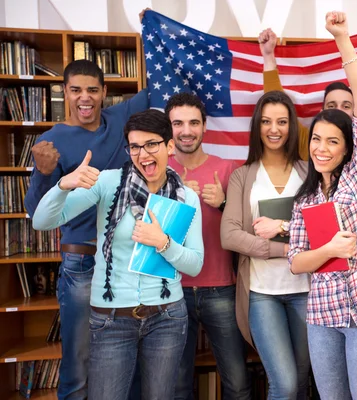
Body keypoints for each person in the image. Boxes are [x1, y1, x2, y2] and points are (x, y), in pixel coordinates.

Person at [32, 109, 204, 400]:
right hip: (110, 319)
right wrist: (63, 185)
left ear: (169, 147)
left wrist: (164, 243)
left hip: (167, 318)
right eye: (135, 146)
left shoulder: (187, 197)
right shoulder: (108, 183)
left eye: (152, 144)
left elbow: (196, 264)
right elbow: (42, 222)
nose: (143, 154)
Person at [288, 11, 357, 400]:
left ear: (348, 146)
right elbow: (296, 261)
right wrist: (329, 250)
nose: (321, 148)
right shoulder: (305, 198)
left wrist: (341, 38)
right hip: (321, 317)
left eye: (332, 141)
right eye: (316, 139)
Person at [23, 59, 149, 400]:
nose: (85, 97)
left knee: (130, 358)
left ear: (104, 92)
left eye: (93, 89)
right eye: (76, 89)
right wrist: (46, 174)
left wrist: (149, 27)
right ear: (65, 92)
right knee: (78, 363)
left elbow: (158, 85)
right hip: (82, 265)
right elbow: (35, 214)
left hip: (124, 263)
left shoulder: (119, 118)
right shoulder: (51, 141)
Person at [221, 90, 311, 399]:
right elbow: (229, 235)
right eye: (267, 121)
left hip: (307, 292)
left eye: (282, 122)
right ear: (257, 126)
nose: (274, 129)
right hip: (262, 295)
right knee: (284, 385)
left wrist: (286, 229)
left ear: (292, 126)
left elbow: (323, 231)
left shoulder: (309, 172)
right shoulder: (242, 176)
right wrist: (285, 249)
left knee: (301, 383)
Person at [165, 93, 251, 400]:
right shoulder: (158, 172)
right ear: (169, 128)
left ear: (204, 127)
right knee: (177, 386)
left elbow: (248, 227)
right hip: (172, 290)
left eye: (193, 123)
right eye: (178, 123)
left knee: (238, 384)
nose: (186, 130)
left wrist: (224, 202)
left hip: (221, 290)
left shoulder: (228, 169)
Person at [259, 5, 357, 160]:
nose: (338, 110)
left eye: (346, 106)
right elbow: (276, 106)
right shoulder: (308, 143)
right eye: (331, 106)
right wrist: (268, 56)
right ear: (321, 112)